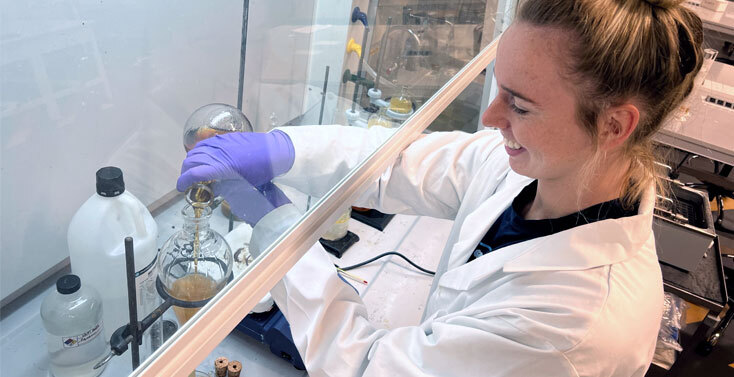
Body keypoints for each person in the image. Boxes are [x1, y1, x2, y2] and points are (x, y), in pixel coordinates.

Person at [177, 0, 703, 375]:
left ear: (614, 126)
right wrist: (281, 149)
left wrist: (276, 227)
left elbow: (367, 366)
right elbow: (403, 164)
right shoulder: (549, 167)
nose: (493, 117)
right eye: (498, 89)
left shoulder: (572, 327)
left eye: (519, 105)